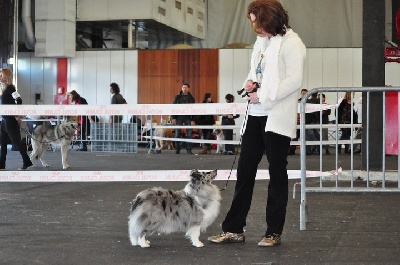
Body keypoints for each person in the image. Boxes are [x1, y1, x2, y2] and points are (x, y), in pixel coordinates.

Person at [208, 0, 306, 247]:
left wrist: (262, 94)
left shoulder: (293, 44)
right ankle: (233, 229)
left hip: (277, 116)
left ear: (271, 19)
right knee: (244, 171)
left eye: (257, 22)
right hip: (255, 115)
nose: (255, 28)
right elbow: (255, 71)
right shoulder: (262, 42)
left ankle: (273, 231)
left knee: (277, 173)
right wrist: (249, 83)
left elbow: (294, 81)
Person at [0, 68, 33, 170]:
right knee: (3, 143)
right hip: (4, 120)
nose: (0, 77)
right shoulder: (4, 89)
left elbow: (19, 100)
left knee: (17, 142)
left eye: (1, 75)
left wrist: (18, 115)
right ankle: (1, 165)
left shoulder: (11, 88)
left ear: (6, 76)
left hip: (10, 120)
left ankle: (27, 161)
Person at [171, 83, 195, 154]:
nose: (184, 89)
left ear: (188, 89)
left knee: (189, 134)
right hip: (178, 117)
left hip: (188, 117)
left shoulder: (191, 98)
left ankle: (189, 149)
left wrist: (193, 120)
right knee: (177, 133)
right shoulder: (177, 97)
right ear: (182, 88)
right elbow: (173, 108)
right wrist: (173, 117)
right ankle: (177, 149)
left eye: (185, 87)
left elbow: (194, 109)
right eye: (183, 87)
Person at [288, 88, 308, 155]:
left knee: (307, 137)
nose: (304, 94)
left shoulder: (309, 102)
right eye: (303, 93)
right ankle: (291, 150)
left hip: (306, 121)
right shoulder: (297, 102)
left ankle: (308, 151)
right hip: (297, 121)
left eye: (305, 93)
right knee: (295, 137)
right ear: (301, 94)